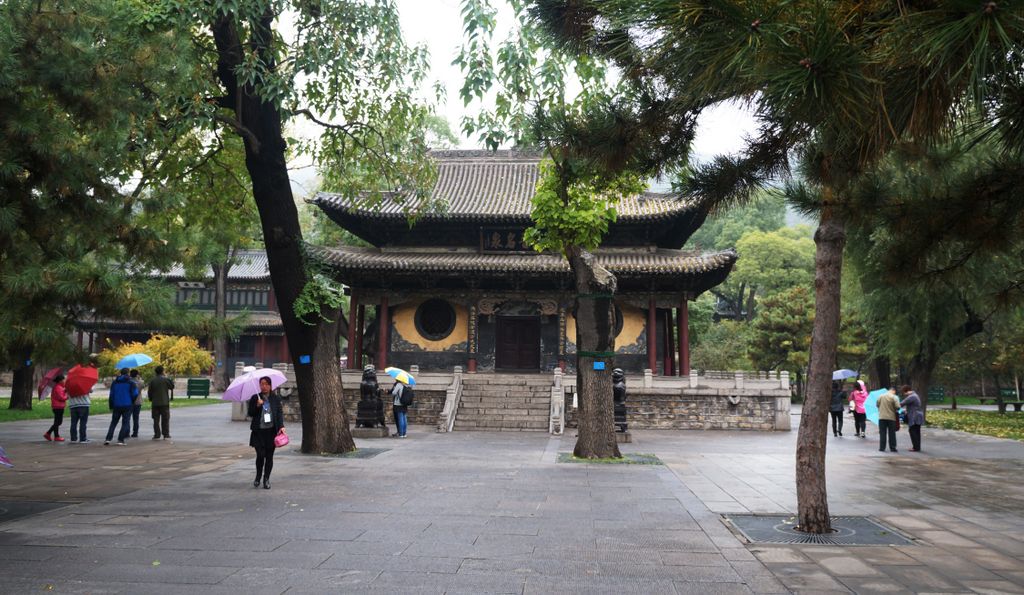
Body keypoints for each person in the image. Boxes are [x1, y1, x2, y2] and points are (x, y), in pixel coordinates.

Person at [247, 377, 284, 489]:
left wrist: (281, 426)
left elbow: (279, 413)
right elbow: (250, 413)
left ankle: (266, 478)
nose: (264, 386)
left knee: (269, 456)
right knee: (260, 455)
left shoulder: (275, 398)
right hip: (258, 432)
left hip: (271, 432)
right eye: (262, 384)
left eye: (266, 384)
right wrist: (257, 406)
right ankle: (258, 476)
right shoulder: (255, 397)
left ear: (270, 385)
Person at [105, 368, 138, 446]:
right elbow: (135, 393)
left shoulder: (115, 382)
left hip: (116, 404)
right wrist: (132, 401)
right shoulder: (131, 383)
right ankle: (120, 439)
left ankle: (108, 439)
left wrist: (111, 405)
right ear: (128, 373)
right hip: (127, 404)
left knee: (113, 422)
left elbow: (111, 395)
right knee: (125, 422)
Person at [147, 366, 175, 440]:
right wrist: (168, 378)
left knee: (156, 420)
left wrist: (150, 398)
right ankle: (166, 434)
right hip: (164, 402)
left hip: (155, 403)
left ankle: (157, 434)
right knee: (165, 419)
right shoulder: (165, 380)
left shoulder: (152, 381)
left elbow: (149, 391)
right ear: (162, 371)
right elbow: (172, 386)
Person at [44, 375, 68, 442]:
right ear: (60, 381)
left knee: (57, 422)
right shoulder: (58, 388)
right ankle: (50, 434)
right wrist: (67, 396)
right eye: (64, 380)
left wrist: (65, 391)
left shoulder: (58, 387)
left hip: (57, 407)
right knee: (58, 422)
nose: (64, 381)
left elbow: (61, 394)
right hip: (58, 407)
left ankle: (54, 435)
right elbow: (61, 398)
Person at [900, 385, 925, 452]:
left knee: (912, 430)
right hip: (918, 415)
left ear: (906, 391)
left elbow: (901, 403)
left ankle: (915, 447)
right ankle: (917, 447)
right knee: (917, 431)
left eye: (903, 393)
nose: (904, 394)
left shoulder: (911, 397)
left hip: (915, 416)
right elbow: (912, 405)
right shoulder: (915, 395)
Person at [876, 387, 901, 453]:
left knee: (882, 433)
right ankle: (893, 448)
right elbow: (898, 407)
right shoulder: (894, 397)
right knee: (892, 433)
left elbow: (877, 404)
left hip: (882, 417)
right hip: (891, 418)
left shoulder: (880, 396)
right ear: (893, 390)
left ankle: (882, 448)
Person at [129, 369, 144, 438]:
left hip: (129, 401)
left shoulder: (128, 382)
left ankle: (126, 431)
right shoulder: (140, 382)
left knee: (127, 418)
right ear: (137, 374)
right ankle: (135, 432)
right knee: (136, 418)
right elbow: (141, 388)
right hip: (138, 401)